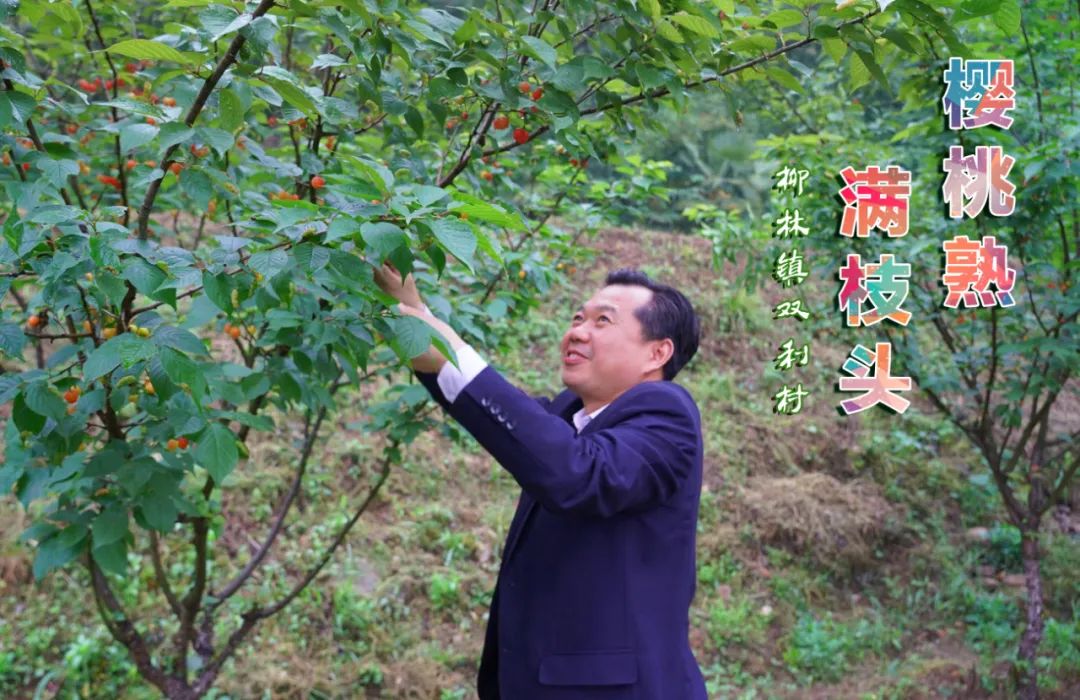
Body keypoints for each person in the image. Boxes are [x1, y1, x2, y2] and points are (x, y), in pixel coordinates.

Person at [374, 262, 707, 699]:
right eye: (577, 318)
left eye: (602, 321)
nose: (578, 332)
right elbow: (509, 419)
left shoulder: (667, 416)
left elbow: (575, 472)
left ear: (656, 353)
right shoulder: (570, 416)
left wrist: (451, 350)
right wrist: (412, 313)